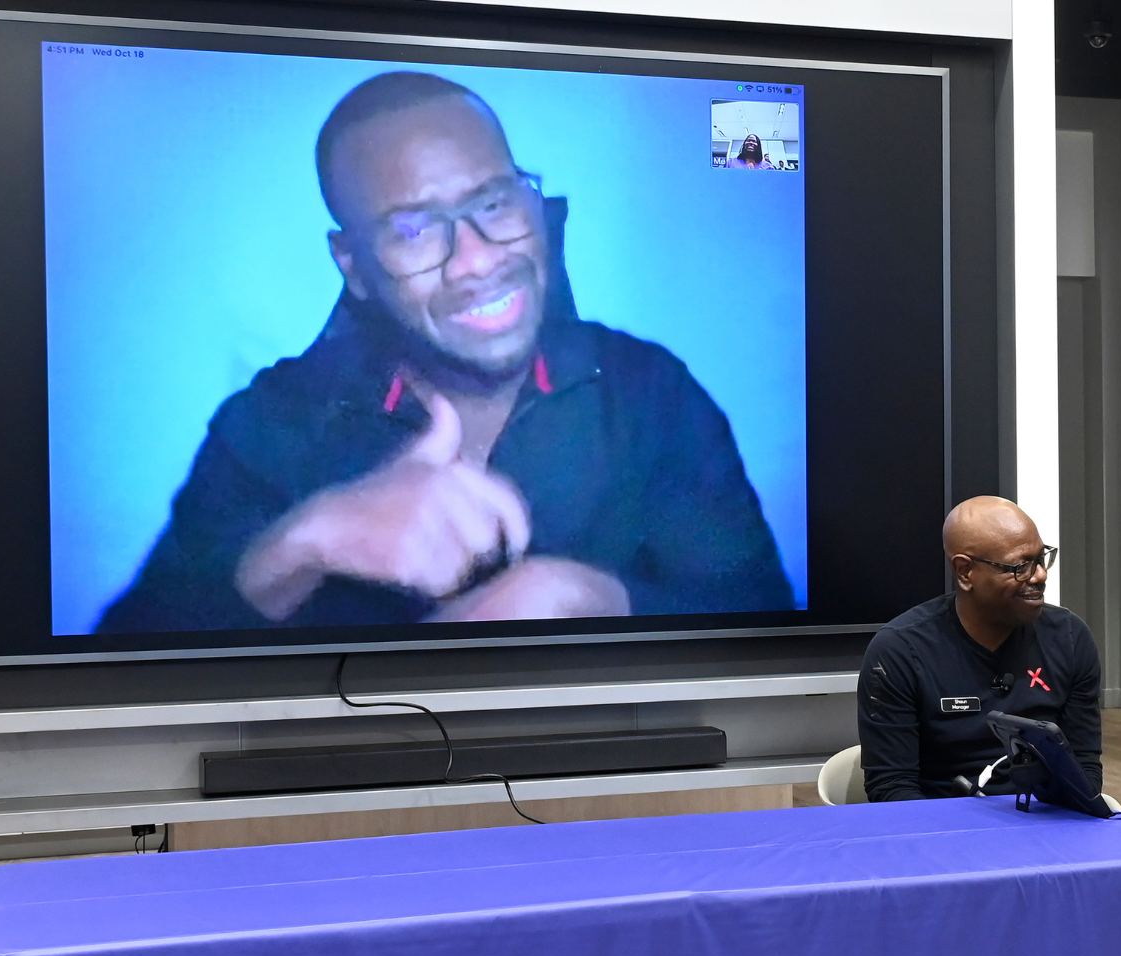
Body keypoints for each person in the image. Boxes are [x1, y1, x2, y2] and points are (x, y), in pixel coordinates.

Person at [97, 72, 794, 633]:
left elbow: (767, 622)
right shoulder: (267, 425)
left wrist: (584, 598)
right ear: (355, 266)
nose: (473, 262)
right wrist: (304, 542)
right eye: (413, 230)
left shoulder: (648, 393)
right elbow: (119, 675)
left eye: (494, 205)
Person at [856, 496, 1102, 801]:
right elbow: (891, 788)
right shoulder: (899, 652)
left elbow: (1085, 770)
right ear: (965, 572)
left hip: (1044, 824)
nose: (1040, 575)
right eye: (1020, 566)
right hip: (941, 831)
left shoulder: (1069, 638)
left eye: (1041, 558)